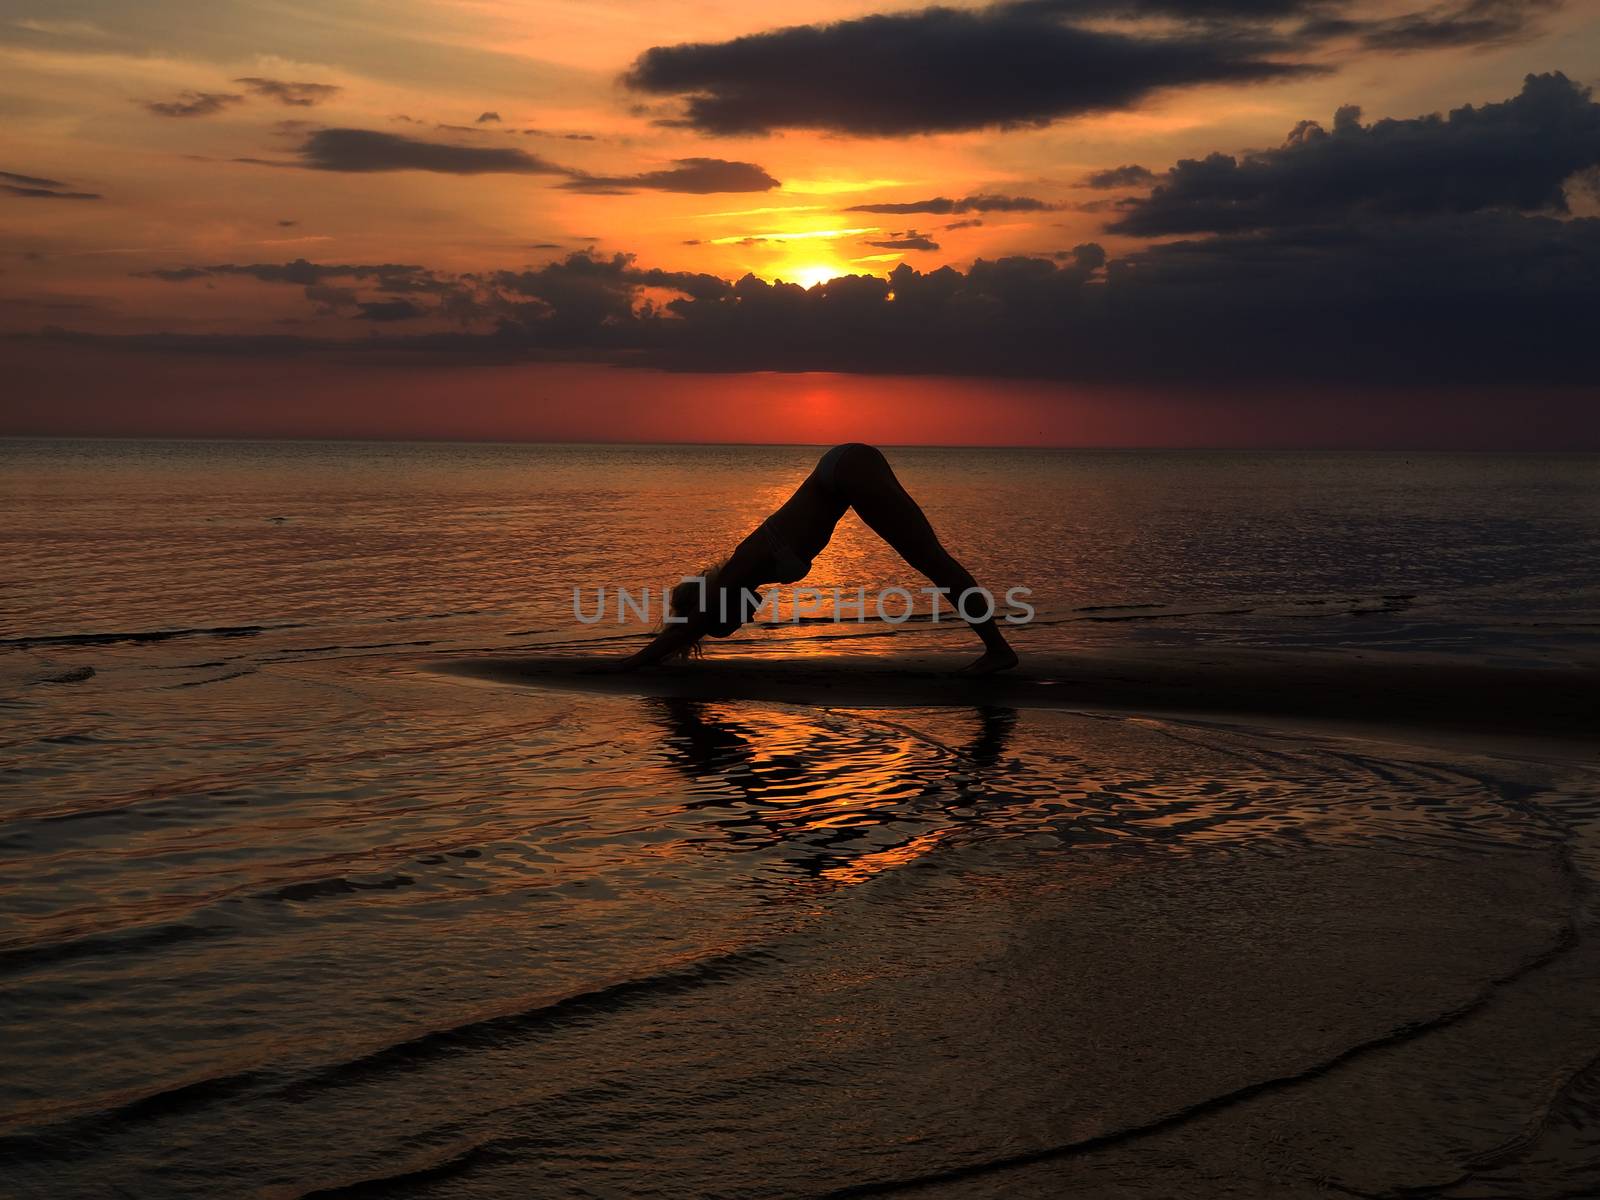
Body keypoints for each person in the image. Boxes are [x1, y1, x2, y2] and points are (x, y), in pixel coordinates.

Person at [615, 443, 1019, 674]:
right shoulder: (746, 573)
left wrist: (630, 664)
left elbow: (689, 627)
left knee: (932, 561)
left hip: (845, 472)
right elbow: (695, 624)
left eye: (732, 623)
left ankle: (998, 651)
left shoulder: (739, 570)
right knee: (931, 560)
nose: (746, 621)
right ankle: (996, 648)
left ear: (718, 607)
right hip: (843, 469)